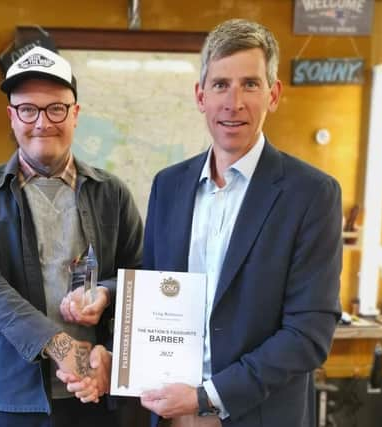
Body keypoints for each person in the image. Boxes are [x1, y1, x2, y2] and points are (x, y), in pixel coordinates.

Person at [140, 19, 342, 427]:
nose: (233, 102)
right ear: (201, 96)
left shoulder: (312, 194)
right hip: (170, 417)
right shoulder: (168, 186)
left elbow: (309, 333)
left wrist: (206, 397)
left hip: (257, 417)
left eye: (250, 84)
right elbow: (152, 288)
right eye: (220, 85)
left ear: (274, 94)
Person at [0, 46, 143, 427]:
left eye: (56, 108)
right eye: (28, 109)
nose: (42, 122)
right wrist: (60, 345)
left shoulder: (112, 192)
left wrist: (105, 296)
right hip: (12, 401)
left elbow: (141, 274)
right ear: (12, 116)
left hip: (98, 393)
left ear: (75, 114)